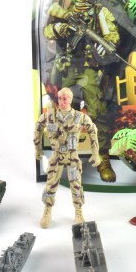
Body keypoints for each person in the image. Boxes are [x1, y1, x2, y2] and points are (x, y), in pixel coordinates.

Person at [43, 0, 119, 182]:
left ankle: (102, 156)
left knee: (97, 111)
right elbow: (47, 31)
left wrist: (106, 46)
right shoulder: (67, 10)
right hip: (67, 67)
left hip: (88, 68)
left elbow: (111, 36)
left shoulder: (99, 11)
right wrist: (60, 28)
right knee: (64, 112)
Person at [33, 87, 101, 228]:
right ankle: (47, 211)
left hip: (72, 157)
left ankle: (78, 212)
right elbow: (38, 128)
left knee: (76, 185)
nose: (62, 101)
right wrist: (37, 148)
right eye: (60, 98)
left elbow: (93, 130)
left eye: (65, 98)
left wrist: (95, 153)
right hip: (56, 156)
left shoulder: (79, 117)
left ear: (70, 99)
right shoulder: (50, 116)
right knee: (51, 185)